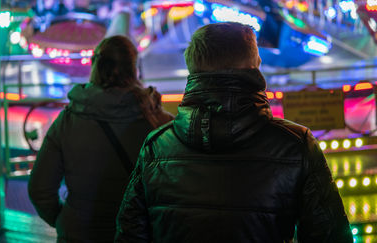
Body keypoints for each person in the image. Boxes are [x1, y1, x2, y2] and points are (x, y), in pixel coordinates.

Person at [114, 22, 353, 243]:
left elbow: (130, 233)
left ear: (193, 69)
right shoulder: (296, 144)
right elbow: (329, 235)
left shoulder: (156, 146)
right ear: (255, 69)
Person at [28, 35, 173, 242]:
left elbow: (39, 189)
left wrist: (65, 219)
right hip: (136, 234)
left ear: (95, 65)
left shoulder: (68, 120)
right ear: (134, 68)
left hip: (79, 233)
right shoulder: (157, 121)